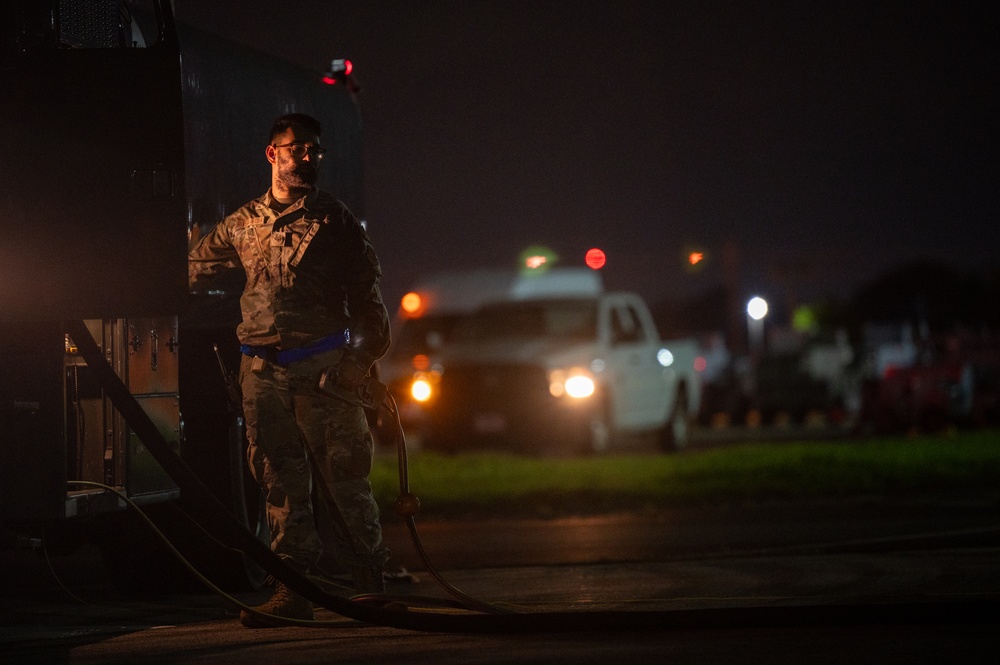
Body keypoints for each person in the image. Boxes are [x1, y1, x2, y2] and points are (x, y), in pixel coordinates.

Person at [188, 113, 391, 628]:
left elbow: (370, 307)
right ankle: (292, 591)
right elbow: (190, 268)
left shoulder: (335, 221)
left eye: (313, 150)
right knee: (279, 484)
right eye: (295, 148)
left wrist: (357, 366)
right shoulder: (242, 224)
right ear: (271, 154)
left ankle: (369, 588)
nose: (306, 156)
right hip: (262, 373)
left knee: (343, 478)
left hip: (324, 372)